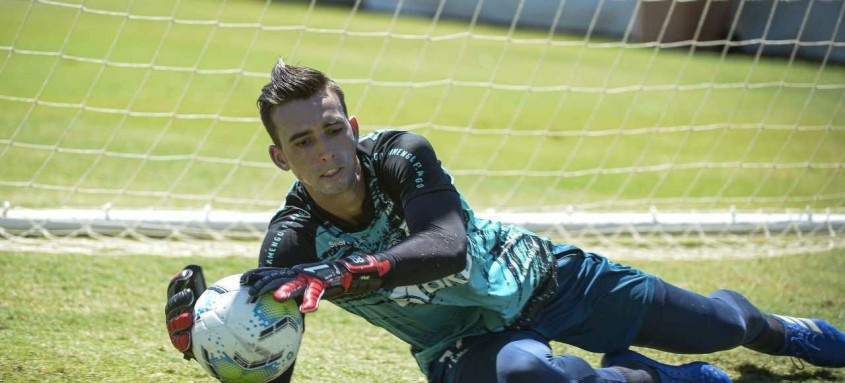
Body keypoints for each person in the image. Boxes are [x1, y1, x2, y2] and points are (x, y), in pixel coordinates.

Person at [165, 59, 845, 383]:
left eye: (331, 129)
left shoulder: (402, 156)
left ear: (354, 128)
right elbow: (272, 352)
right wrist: (215, 344)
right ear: (279, 157)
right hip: (464, 346)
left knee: (722, 327)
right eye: (303, 142)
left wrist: (355, 269)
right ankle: (658, 380)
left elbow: (445, 245)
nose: (324, 151)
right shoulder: (291, 239)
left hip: (548, 280)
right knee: (535, 380)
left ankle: (786, 331)